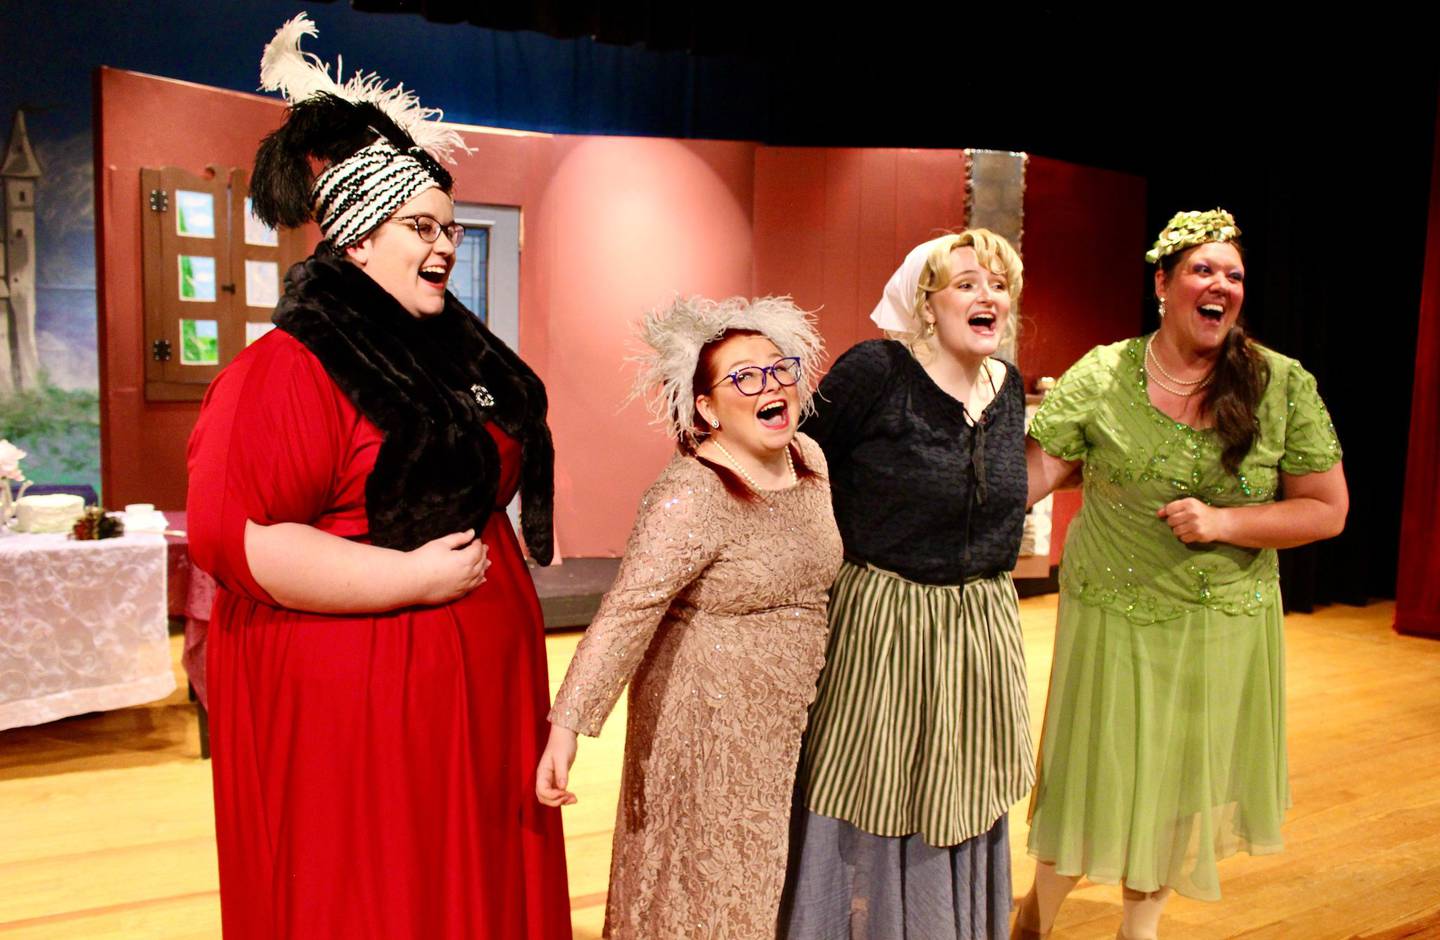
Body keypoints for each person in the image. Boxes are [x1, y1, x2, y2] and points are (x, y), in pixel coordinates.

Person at [186, 16, 569, 938]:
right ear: (356, 238)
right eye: (419, 226)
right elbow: (239, 539)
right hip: (356, 719)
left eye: (449, 226)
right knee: (375, 896)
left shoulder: (448, 354)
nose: (443, 245)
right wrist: (410, 579)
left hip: (472, 706)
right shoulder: (285, 372)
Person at [1015, 209, 1349, 940]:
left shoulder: (1280, 385)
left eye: (1233, 274)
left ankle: (1141, 931)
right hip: (1112, 611)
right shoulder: (1104, 373)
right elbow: (1026, 482)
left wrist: (1227, 522)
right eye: (1203, 269)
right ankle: (1034, 918)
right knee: (1090, 775)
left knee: (1176, 786)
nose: (1220, 285)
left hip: (1221, 619)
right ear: (1162, 284)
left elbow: (1326, 511)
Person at [535, 296, 842, 939]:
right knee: (709, 888)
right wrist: (568, 725)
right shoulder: (691, 492)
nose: (770, 385)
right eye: (744, 377)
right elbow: (627, 612)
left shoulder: (809, 459)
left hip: (793, 712)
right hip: (706, 723)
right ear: (706, 408)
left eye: (780, 368)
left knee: (771, 879)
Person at [781, 230, 1035, 940]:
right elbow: (799, 466)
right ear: (926, 304)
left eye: (999, 284)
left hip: (979, 620)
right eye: (966, 284)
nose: (988, 296)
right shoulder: (877, 370)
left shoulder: (1006, 387)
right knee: (870, 780)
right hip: (885, 615)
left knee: (963, 782)